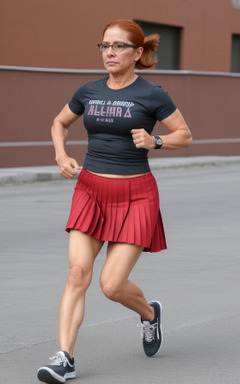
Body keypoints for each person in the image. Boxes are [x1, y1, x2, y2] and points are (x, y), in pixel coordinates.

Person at [37, 19, 192, 384]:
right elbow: (59, 123)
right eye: (105, 45)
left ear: (137, 53)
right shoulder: (88, 90)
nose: (109, 52)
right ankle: (65, 358)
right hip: (90, 191)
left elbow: (184, 136)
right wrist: (61, 155)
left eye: (119, 46)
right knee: (77, 274)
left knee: (110, 285)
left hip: (136, 195)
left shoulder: (153, 95)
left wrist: (155, 141)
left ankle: (150, 315)